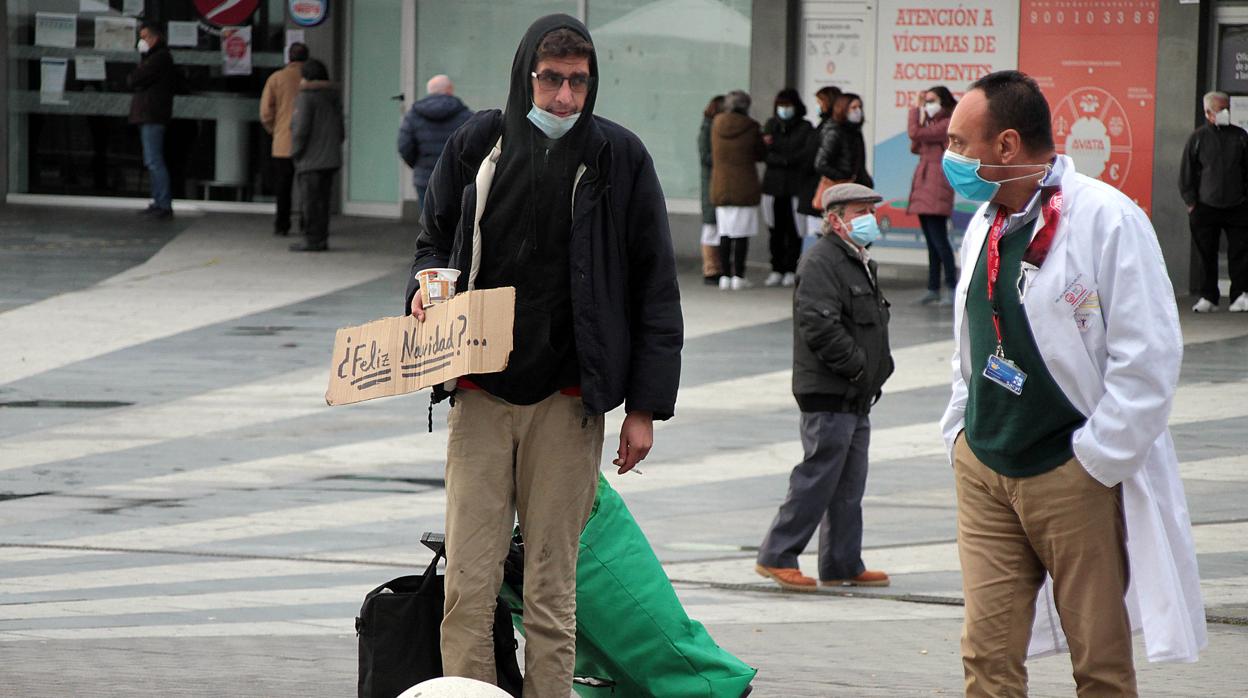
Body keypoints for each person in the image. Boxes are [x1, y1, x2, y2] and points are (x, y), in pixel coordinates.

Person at [403, 15, 682, 696]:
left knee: (554, 588)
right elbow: (432, 240)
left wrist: (644, 408)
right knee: (469, 582)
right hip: (480, 395)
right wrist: (424, 284)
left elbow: (655, 286)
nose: (564, 97)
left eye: (577, 82)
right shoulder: (479, 142)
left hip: (566, 404)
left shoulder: (619, 156)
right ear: (526, 72)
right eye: (551, 79)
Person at [940, 70, 1205, 696]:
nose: (947, 156)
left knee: (1100, 663)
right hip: (986, 465)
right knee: (986, 655)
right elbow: (973, 339)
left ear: (1005, 146)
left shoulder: (1108, 218)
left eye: (958, 143)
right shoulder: (985, 223)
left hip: (1071, 472)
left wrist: (1095, 459)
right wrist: (959, 433)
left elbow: (1149, 356)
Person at [755, 182, 893, 591]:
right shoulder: (821, 261)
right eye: (859, 212)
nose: (869, 218)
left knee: (849, 484)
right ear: (834, 220)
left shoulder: (858, 260)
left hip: (857, 393)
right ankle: (777, 555)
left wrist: (876, 371)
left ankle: (842, 562)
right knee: (818, 477)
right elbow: (819, 325)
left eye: (871, 210)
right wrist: (858, 368)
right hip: (831, 390)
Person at [1180, 90, 1248, 313]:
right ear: (1208, 112)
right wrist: (1191, 203)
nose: (1225, 112)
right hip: (1205, 207)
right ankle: (1208, 297)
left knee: (1240, 252)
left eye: (1227, 108)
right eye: (1221, 109)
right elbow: (1187, 173)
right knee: (1205, 253)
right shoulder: (1197, 138)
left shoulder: (1240, 136)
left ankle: (1240, 295)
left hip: (1238, 205)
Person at [907, 85, 958, 305]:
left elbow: (914, 133)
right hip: (925, 184)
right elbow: (915, 145)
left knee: (940, 241)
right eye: (925, 101)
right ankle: (933, 287)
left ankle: (952, 287)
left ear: (944, 102)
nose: (927, 104)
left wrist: (914, 109)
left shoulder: (947, 124)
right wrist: (922, 120)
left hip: (936, 186)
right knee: (931, 241)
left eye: (931, 100)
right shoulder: (932, 124)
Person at [710, 90, 765, 290]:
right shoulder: (751, 127)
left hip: (721, 186)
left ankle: (724, 276)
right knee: (741, 234)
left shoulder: (716, 125)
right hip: (744, 187)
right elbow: (760, 153)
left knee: (725, 233)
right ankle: (738, 276)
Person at [762, 88, 816, 287]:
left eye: (787, 105)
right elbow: (764, 153)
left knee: (794, 231)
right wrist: (782, 158)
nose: (784, 110)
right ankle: (776, 268)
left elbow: (804, 154)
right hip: (773, 188)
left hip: (795, 187)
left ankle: (791, 269)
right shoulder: (771, 125)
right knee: (775, 230)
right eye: (781, 106)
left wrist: (782, 158)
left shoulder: (805, 127)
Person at [289, 59, 344, 252]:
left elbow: (301, 128)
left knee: (310, 202)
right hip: (330, 158)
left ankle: (311, 239)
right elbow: (341, 129)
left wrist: (295, 151)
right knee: (323, 201)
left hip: (310, 159)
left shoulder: (306, 97)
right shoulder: (333, 96)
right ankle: (321, 238)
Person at [398, 74, 473, 207]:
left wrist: (419, 165)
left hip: (425, 179)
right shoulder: (466, 116)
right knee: (455, 222)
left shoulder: (413, 115)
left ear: (429, 91)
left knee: (428, 222)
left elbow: (404, 146)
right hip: (456, 179)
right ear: (450, 89)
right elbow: (474, 146)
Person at [127, 23, 175, 220]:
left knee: (154, 160)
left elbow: (135, 79)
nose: (141, 41)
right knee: (152, 160)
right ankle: (158, 201)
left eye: (145, 37)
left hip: (152, 114)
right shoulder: (155, 58)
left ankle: (163, 203)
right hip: (150, 114)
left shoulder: (159, 58)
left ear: (155, 38)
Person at [260, 42, 309, 237]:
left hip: (282, 140)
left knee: (283, 187)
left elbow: (265, 112)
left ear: (289, 57)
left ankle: (282, 224)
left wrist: (275, 129)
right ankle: (307, 224)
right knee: (307, 186)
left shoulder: (277, 78)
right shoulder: (309, 77)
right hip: (307, 143)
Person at [796, 86, 843, 249]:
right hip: (814, 187)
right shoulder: (824, 126)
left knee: (821, 236)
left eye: (819, 102)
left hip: (819, 188)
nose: (817, 105)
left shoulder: (830, 128)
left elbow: (815, 158)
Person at [814, 92, 873, 189]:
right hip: (837, 186)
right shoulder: (834, 132)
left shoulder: (855, 132)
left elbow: (859, 163)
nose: (858, 111)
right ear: (843, 109)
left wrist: (865, 181)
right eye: (854, 108)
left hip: (853, 185)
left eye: (860, 107)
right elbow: (821, 163)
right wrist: (842, 177)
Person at [698, 95, 726, 285]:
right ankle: (710, 267)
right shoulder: (708, 129)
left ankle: (714, 266)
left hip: (715, 182)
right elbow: (706, 157)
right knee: (710, 226)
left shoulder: (711, 127)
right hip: (711, 182)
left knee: (715, 225)